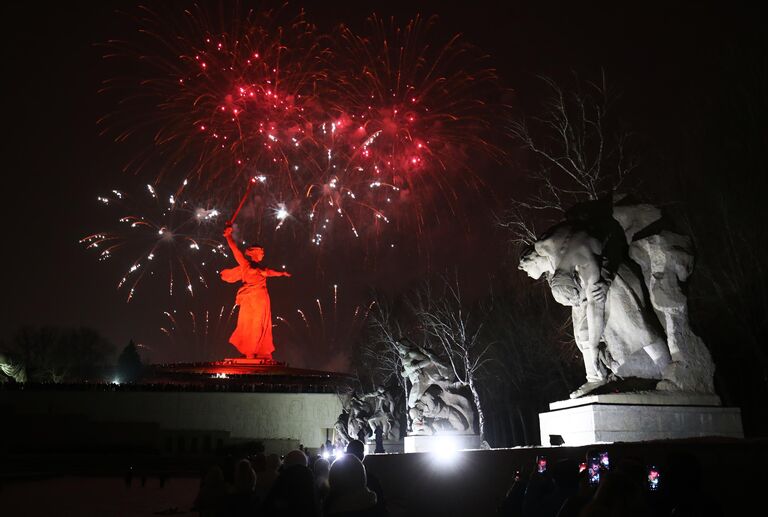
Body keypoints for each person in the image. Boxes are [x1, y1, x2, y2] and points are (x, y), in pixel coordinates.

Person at [221, 226, 291, 359]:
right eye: (261, 252)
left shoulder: (262, 268)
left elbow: (270, 272)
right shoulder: (245, 265)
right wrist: (228, 236)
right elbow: (235, 250)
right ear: (254, 253)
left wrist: (282, 273)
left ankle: (261, 350)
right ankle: (249, 351)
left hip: (261, 299)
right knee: (249, 324)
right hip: (249, 298)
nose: (263, 254)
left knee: (261, 324)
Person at [346, 439, 388, 515]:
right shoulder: (372, 479)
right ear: (362, 455)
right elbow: (381, 507)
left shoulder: (339, 479)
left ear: (346, 453)